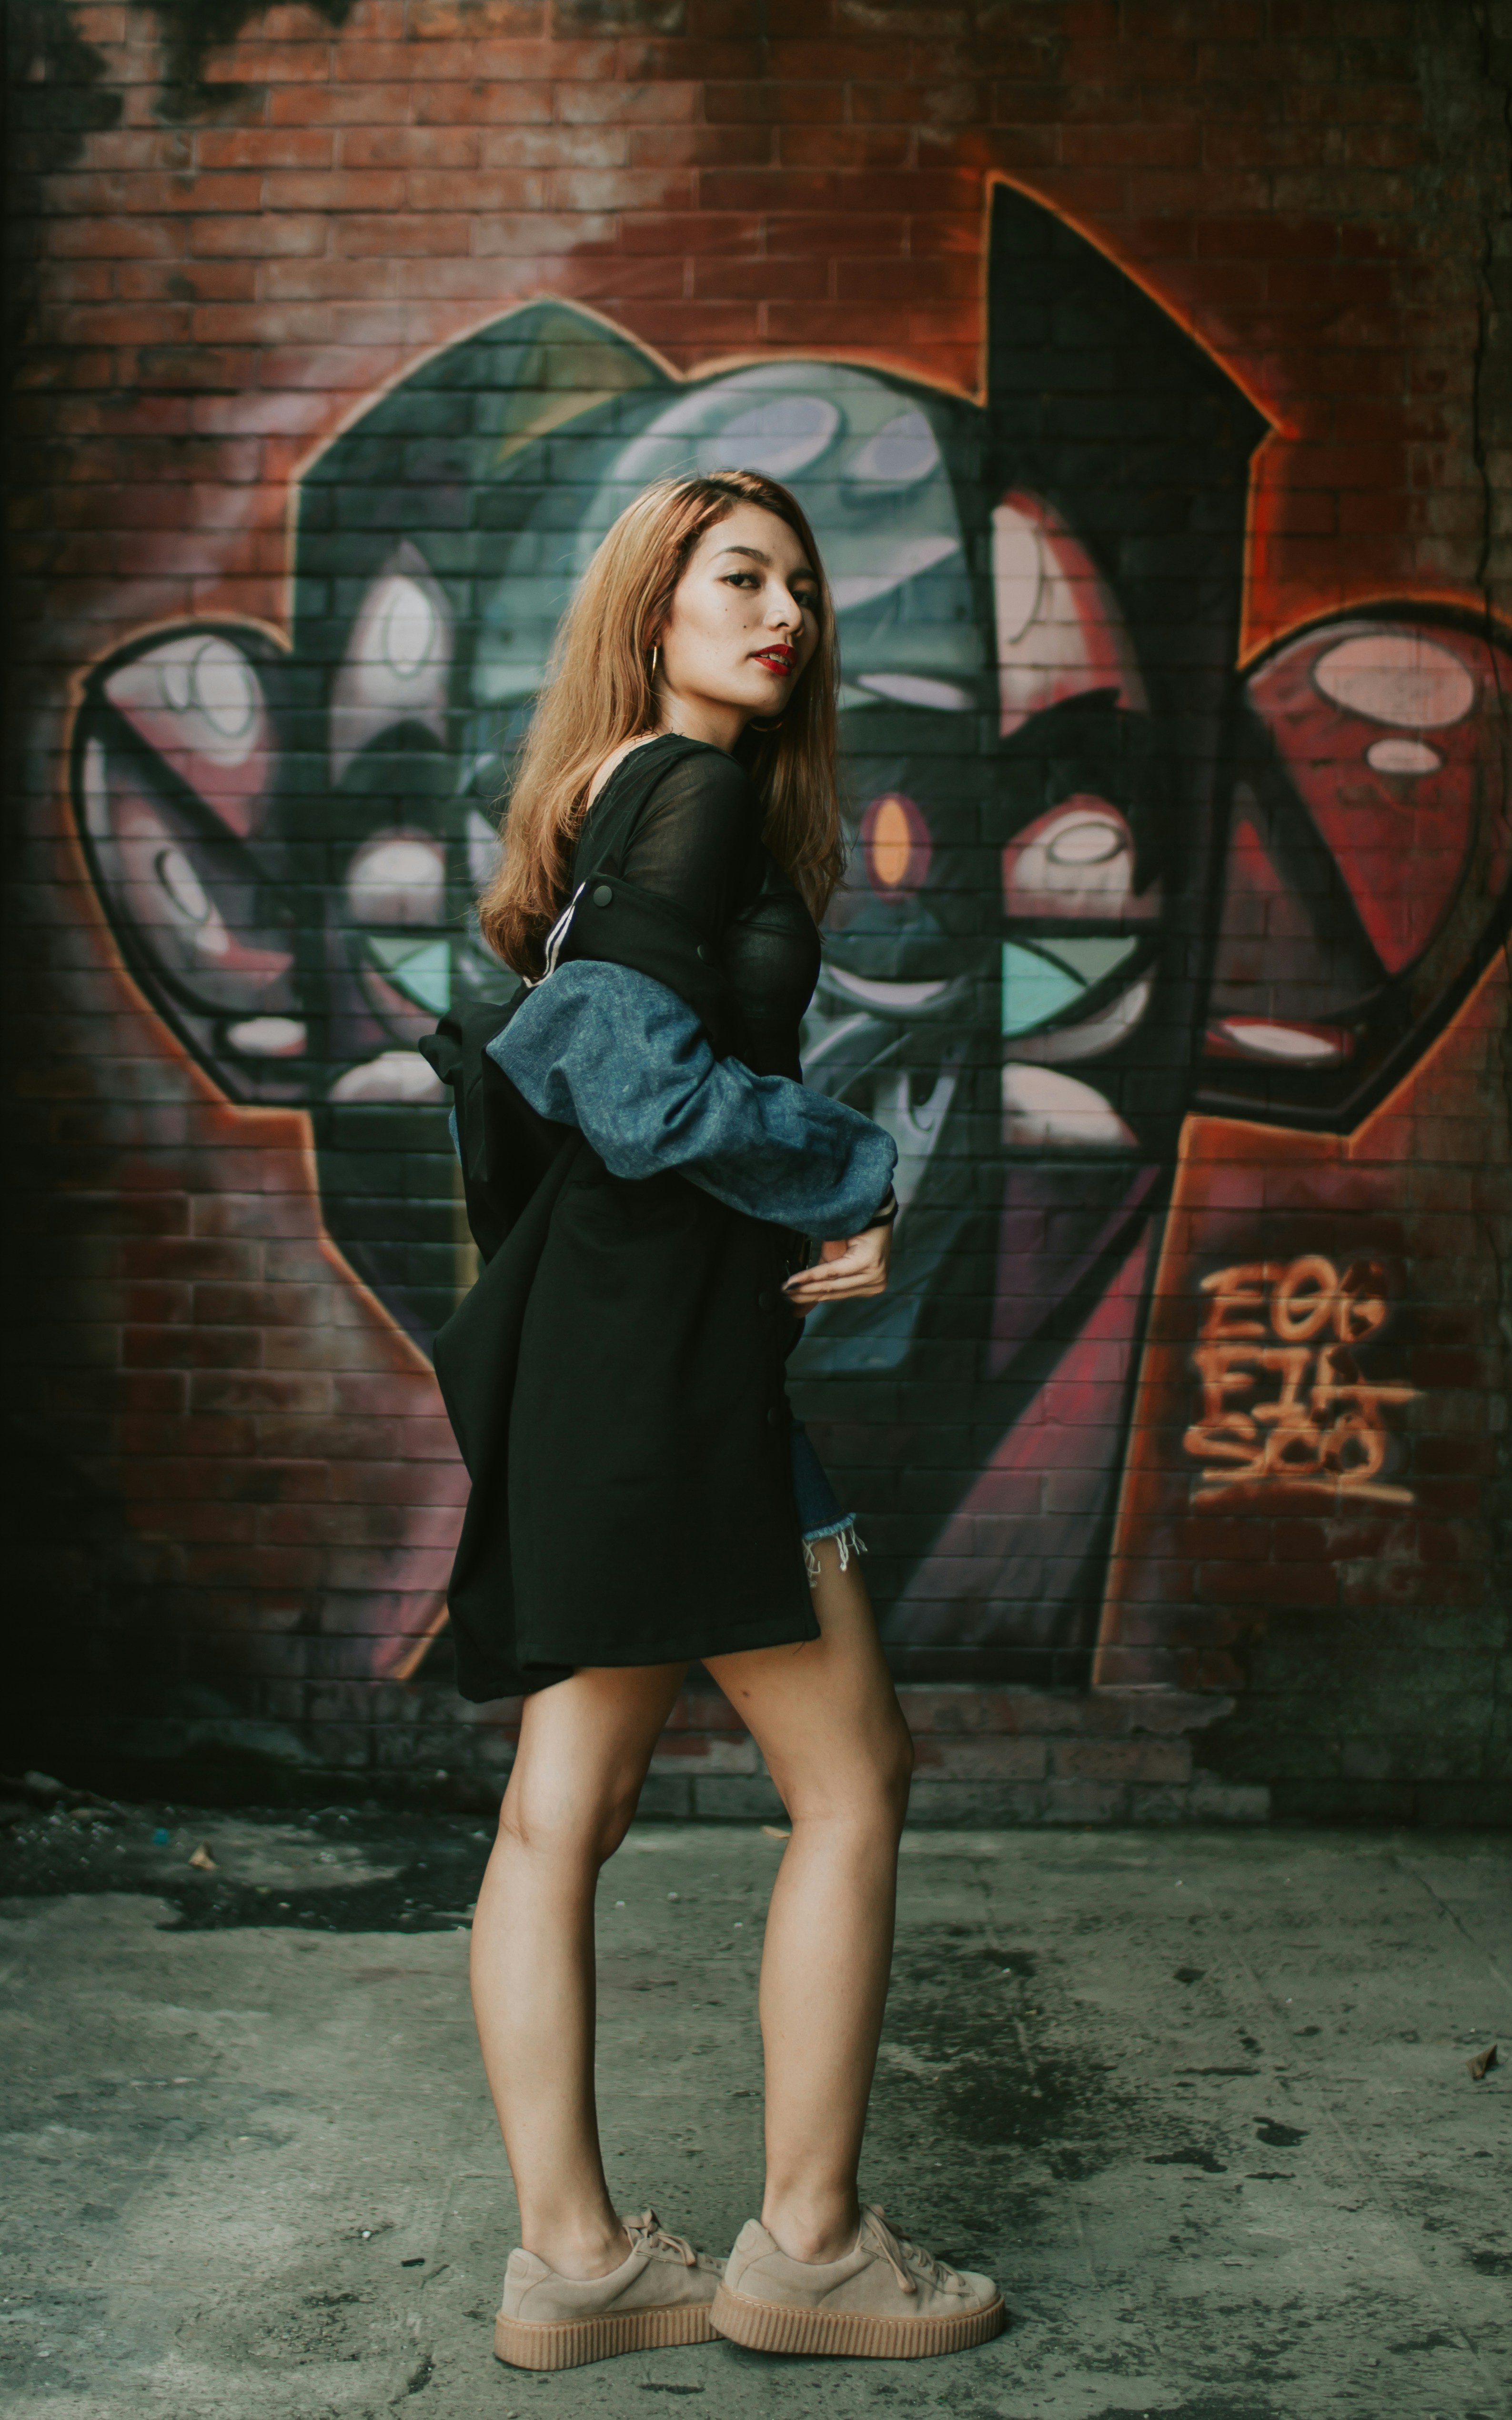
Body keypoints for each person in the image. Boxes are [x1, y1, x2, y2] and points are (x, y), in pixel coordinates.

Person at [436, 468, 1005, 2372]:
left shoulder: (605, 799)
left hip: (613, 1346)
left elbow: (531, 1099)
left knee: (557, 1810)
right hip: (660, 1360)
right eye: (737, 577)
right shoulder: (680, 797)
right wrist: (855, 1173)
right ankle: (810, 2250)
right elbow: (602, 1065)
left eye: (799, 584)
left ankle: (576, 2262)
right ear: (650, 607)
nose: (786, 612)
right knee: (853, 1781)